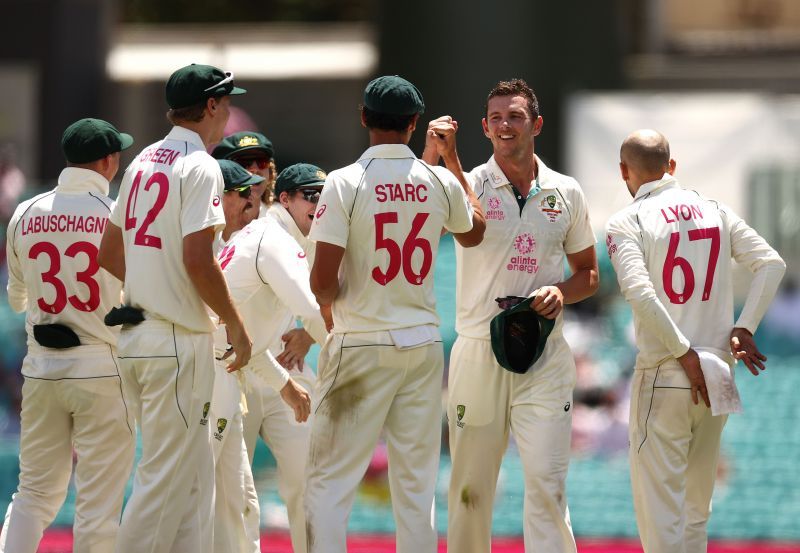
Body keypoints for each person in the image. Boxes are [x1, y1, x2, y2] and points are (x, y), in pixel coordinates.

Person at [305, 75, 485, 553]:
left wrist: (335, 301)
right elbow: (474, 232)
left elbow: (321, 281)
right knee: (416, 488)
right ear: (414, 123)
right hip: (421, 343)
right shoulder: (439, 180)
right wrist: (451, 161)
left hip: (361, 342)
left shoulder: (345, 181)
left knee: (328, 484)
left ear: (364, 118)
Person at [423, 78, 599, 553]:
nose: (506, 125)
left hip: (544, 352)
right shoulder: (470, 182)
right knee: (470, 491)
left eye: (516, 116)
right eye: (496, 118)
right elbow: (464, 231)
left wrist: (560, 292)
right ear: (483, 127)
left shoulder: (566, 191)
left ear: (536, 124)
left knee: (548, 486)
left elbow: (588, 274)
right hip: (479, 351)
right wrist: (442, 158)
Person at [605, 129, 786, 553]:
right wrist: (745, 326)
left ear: (623, 172)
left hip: (666, 371)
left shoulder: (626, 220)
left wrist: (682, 352)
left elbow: (640, 293)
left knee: (661, 517)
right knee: (695, 515)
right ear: (672, 167)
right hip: (717, 373)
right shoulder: (713, 209)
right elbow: (771, 264)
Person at [97, 63, 253, 553]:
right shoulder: (201, 164)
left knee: (191, 482)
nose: (228, 111)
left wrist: (153, 283)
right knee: (164, 482)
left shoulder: (143, 159)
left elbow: (109, 254)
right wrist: (234, 323)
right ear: (210, 106)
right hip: (175, 341)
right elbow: (197, 260)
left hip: (140, 336)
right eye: (225, 102)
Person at [2, 118, 136, 553]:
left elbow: (18, 299)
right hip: (101, 367)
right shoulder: (116, 216)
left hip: (41, 367)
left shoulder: (25, 211)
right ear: (109, 160)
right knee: (98, 507)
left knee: (33, 496)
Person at [210, 159, 312, 553]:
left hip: (229, 370)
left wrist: (285, 386)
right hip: (213, 375)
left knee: (240, 503)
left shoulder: (249, 238)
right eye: (243, 194)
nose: (253, 199)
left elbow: (244, 342)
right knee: (191, 493)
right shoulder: (268, 240)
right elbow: (314, 310)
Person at [212, 131, 277, 218]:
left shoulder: (280, 223)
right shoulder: (204, 219)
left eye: (262, 162)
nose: (255, 169)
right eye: (244, 162)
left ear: (270, 173)